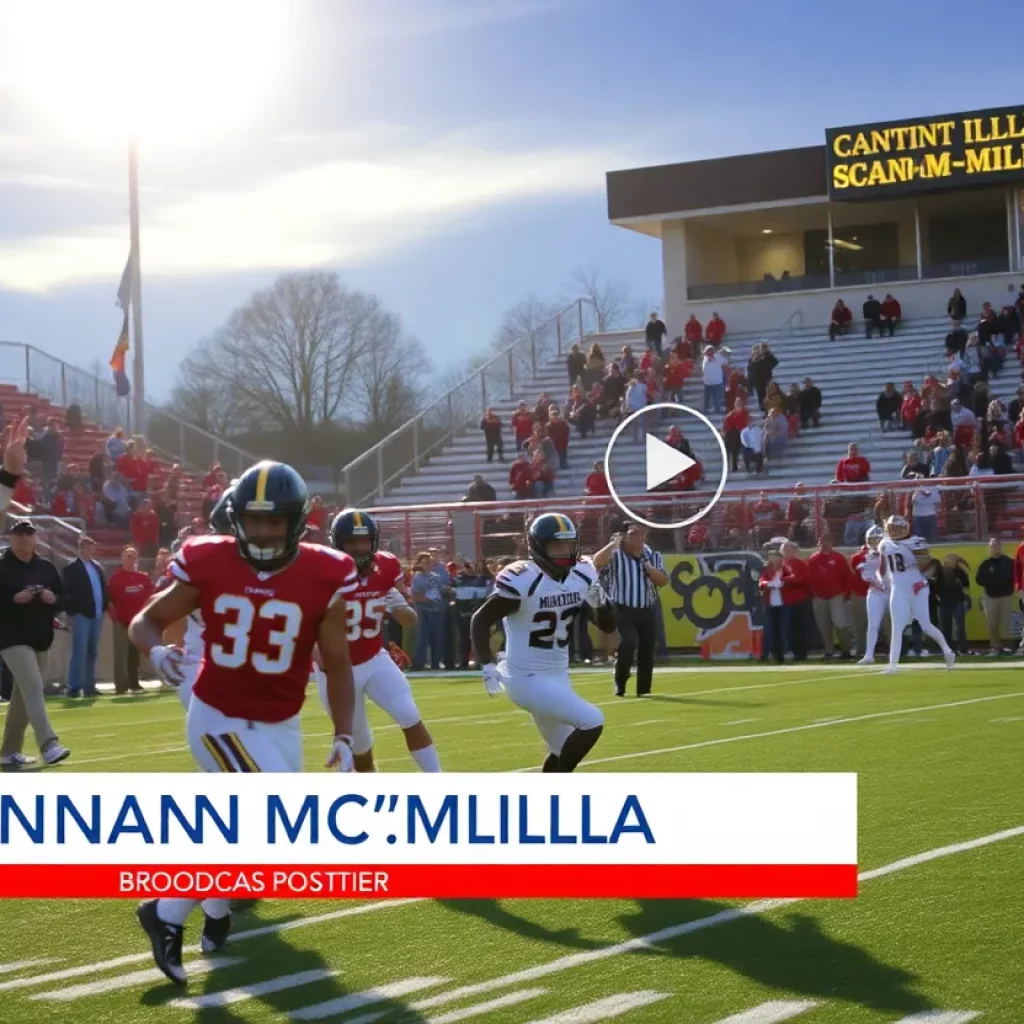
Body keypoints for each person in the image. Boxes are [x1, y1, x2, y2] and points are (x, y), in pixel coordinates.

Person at [128, 460, 359, 985]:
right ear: (235, 518)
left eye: (272, 522)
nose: (260, 532)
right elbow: (147, 620)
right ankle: (165, 912)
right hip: (217, 715)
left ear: (296, 521)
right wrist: (156, 653)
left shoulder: (326, 573)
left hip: (279, 724)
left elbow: (338, 663)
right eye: (252, 521)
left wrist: (344, 733)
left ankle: (213, 906)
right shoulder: (210, 560)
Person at [470, 513, 615, 771]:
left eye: (569, 544)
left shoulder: (581, 573)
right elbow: (481, 619)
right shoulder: (525, 578)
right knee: (592, 720)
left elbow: (607, 626)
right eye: (557, 546)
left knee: (561, 752)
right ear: (538, 546)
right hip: (525, 678)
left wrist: (600, 601)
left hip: (558, 675)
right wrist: (487, 664)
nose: (565, 551)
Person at [314, 509, 438, 773]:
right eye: (352, 542)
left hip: (374, 659)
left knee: (409, 716)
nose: (360, 548)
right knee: (360, 749)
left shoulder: (386, 566)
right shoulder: (321, 572)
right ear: (337, 542)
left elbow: (407, 617)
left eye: (364, 541)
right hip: (337, 672)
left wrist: (398, 606)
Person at [0, 520, 70, 766]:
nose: (24, 538)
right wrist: (12, 599)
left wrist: (54, 599)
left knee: (23, 695)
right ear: (10, 537)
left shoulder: (46, 567)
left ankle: (9, 751)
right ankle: (48, 744)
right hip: (9, 637)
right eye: (19, 534)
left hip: (40, 638)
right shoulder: (2, 565)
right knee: (33, 684)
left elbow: (65, 598)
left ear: (35, 537)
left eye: (29, 534)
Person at [592, 519, 668, 697]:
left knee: (647, 648)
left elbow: (663, 581)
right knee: (628, 642)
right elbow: (597, 561)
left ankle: (644, 689)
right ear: (623, 536)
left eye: (642, 533)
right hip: (622, 607)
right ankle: (621, 679)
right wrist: (613, 544)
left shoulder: (651, 554)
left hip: (647, 606)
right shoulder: (615, 554)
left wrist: (649, 569)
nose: (640, 538)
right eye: (634, 533)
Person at [877, 515, 955, 674]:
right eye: (891, 528)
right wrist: (883, 582)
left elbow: (931, 565)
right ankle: (893, 664)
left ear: (905, 528)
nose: (894, 531)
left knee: (926, 625)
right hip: (898, 587)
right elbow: (882, 566)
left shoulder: (915, 541)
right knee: (897, 626)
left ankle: (948, 651)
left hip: (917, 587)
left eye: (897, 528)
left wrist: (925, 580)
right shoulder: (884, 543)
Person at [62, 535, 108, 697]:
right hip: (81, 614)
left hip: (97, 614)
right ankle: (74, 686)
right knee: (79, 651)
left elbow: (103, 589)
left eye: (91, 547)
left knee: (92, 652)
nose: (88, 550)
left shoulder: (97, 567)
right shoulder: (71, 568)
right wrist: (70, 614)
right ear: (80, 549)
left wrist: (104, 608)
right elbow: (67, 592)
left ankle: (89, 686)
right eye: (85, 547)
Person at [106, 545, 153, 693]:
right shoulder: (116, 578)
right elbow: (110, 600)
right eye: (128, 556)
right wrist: (116, 617)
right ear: (122, 559)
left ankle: (134, 682)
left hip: (137, 622)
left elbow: (151, 596)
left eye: (133, 556)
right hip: (121, 621)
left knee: (134, 654)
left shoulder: (143, 577)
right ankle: (121, 684)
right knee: (121, 653)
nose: (131, 559)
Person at [807, 534, 853, 659]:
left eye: (828, 542)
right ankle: (829, 650)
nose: (825, 544)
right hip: (819, 596)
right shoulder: (813, 559)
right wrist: (813, 592)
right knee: (823, 625)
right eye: (822, 542)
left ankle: (845, 649)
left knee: (840, 623)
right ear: (818, 544)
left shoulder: (838, 558)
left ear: (832, 543)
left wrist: (846, 593)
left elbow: (847, 576)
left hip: (836, 595)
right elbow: (810, 578)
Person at [852, 525, 890, 665]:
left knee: (896, 624)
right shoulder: (861, 556)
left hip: (893, 591)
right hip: (876, 592)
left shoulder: (892, 552)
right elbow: (864, 574)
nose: (875, 543)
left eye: (877, 539)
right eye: (872, 540)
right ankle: (869, 655)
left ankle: (896, 651)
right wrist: (872, 582)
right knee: (873, 624)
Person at [975, 538, 1015, 655]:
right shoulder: (985, 564)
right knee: (992, 623)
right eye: (992, 546)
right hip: (990, 597)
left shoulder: (1008, 561)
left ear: (1001, 547)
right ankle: (994, 646)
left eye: (997, 545)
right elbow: (979, 580)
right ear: (989, 548)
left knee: (1005, 623)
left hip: (1006, 596)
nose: (995, 548)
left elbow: (1014, 576)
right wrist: (990, 578)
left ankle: (1006, 646)